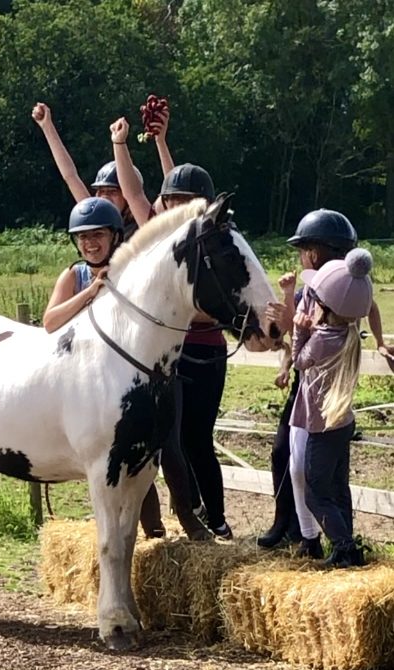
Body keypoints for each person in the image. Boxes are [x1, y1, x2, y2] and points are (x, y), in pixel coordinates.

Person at [109, 115, 232, 543]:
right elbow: (136, 192)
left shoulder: (212, 241)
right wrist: (121, 145)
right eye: (171, 201)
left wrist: (163, 143)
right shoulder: (161, 241)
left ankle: (215, 517)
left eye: (185, 201)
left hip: (205, 352)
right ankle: (186, 516)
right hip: (168, 358)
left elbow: (173, 191)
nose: (174, 207)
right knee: (170, 443)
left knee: (199, 440)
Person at [259, 209, 393, 552]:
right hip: (321, 394)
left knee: (308, 471)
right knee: (306, 464)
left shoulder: (334, 290)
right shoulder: (331, 288)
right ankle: (310, 531)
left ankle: (325, 536)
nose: (301, 256)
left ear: (313, 253)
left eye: (302, 249)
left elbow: (299, 338)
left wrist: (295, 327)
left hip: (315, 395)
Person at [43, 195, 167, 538]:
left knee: (141, 457)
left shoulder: (132, 272)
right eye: (83, 237)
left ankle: (157, 528)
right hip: (82, 382)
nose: (89, 243)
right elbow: (50, 321)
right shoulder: (74, 275)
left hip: (123, 380)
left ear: (114, 236)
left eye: (97, 235)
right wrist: (91, 292)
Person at [290, 248, 374, 567]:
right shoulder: (349, 334)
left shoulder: (324, 337)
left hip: (322, 428)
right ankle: (349, 545)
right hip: (342, 423)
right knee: (338, 488)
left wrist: (299, 328)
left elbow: (299, 361)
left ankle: (342, 547)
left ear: (324, 306)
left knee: (315, 493)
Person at [31, 101, 173, 240]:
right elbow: (70, 176)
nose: (104, 197)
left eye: (112, 192)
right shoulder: (97, 219)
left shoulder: (145, 223)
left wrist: (160, 142)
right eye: (100, 191)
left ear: (126, 196)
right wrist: (47, 126)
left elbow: (172, 194)